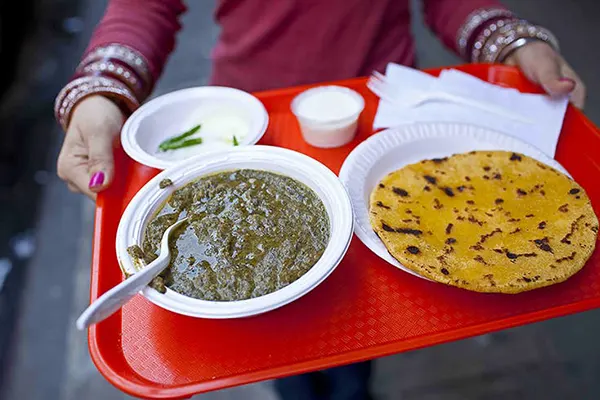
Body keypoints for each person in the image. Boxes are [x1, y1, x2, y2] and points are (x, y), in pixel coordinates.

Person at [54, 1, 586, 399]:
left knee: (355, 331)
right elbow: (148, 7)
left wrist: (512, 42)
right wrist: (100, 90)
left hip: (376, 120)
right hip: (251, 120)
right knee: (277, 350)